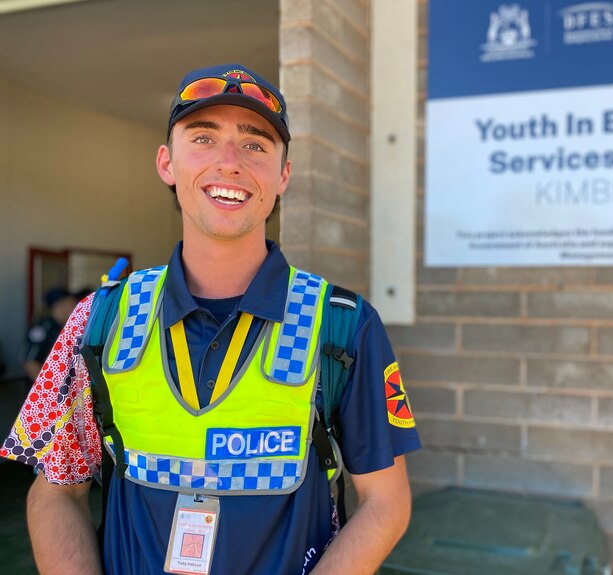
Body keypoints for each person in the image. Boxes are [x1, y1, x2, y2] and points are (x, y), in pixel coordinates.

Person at [2, 63, 420, 575]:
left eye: (255, 144)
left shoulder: (341, 325)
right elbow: (56, 494)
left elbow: (386, 502)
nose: (229, 163)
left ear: (283, 174)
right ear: (166, 163)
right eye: (202, 137)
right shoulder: (99, 319)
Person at [20, 287, 78, 382]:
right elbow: (30, 362)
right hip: (44, 393)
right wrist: (49, 387)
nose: (75, 307)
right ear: (60, 304)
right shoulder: (42, 329)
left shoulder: (65, 328)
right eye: (72, 303)